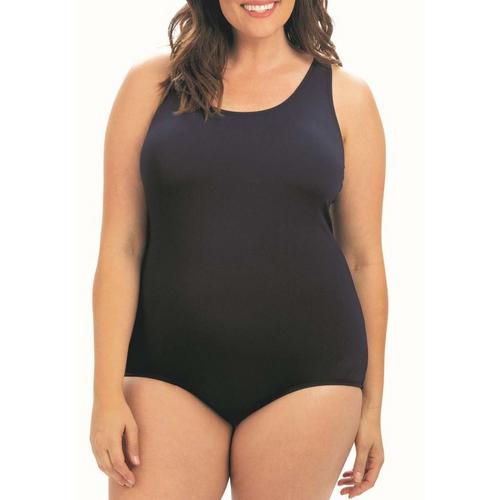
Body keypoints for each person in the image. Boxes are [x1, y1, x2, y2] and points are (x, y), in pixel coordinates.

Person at [90, 1, 388, 498]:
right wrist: (104, 395)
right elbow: (122, 245)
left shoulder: (347, 98)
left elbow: (364, 260)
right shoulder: (150, 87)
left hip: (309, 378)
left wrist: (373, 407)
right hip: (166, 373)